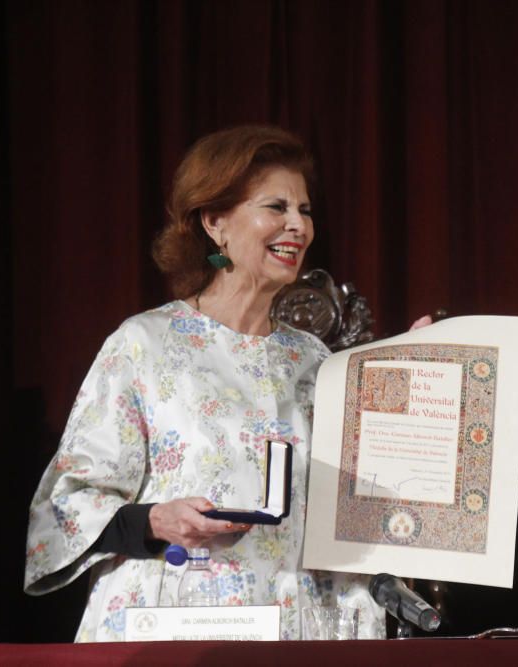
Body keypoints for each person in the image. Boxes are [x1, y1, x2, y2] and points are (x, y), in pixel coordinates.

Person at [24, 125, 386, 641]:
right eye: (276, 208)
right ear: (216, 223)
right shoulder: (146, 345)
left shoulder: (315, 360)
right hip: (176, 624)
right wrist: (155, 521)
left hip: (296, 629)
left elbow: (355, 501)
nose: (297, 227)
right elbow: (63, 506)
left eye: (304, 211)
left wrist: (411, 370)